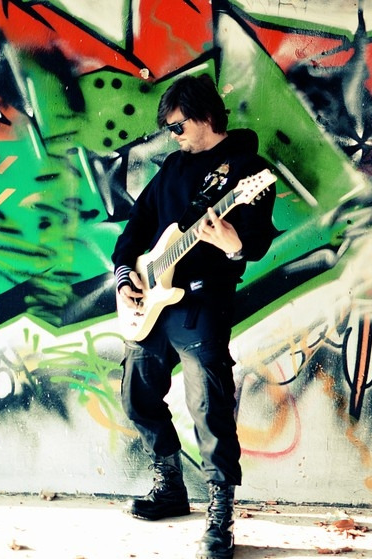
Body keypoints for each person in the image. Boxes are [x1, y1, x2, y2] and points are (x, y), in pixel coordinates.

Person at [112, 74, 276, 559]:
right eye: (169, 129)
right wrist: (126, 276)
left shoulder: (248, 172)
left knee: (208, 405)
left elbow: (256, 242)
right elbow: (136, 228)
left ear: (204, 116)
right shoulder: (173, 168)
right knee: (137, 394)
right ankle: (170, 486)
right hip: (152, 301)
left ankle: (221, 513)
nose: (173, 136)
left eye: (178, 126)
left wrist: (234, 245)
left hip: (202, 303)